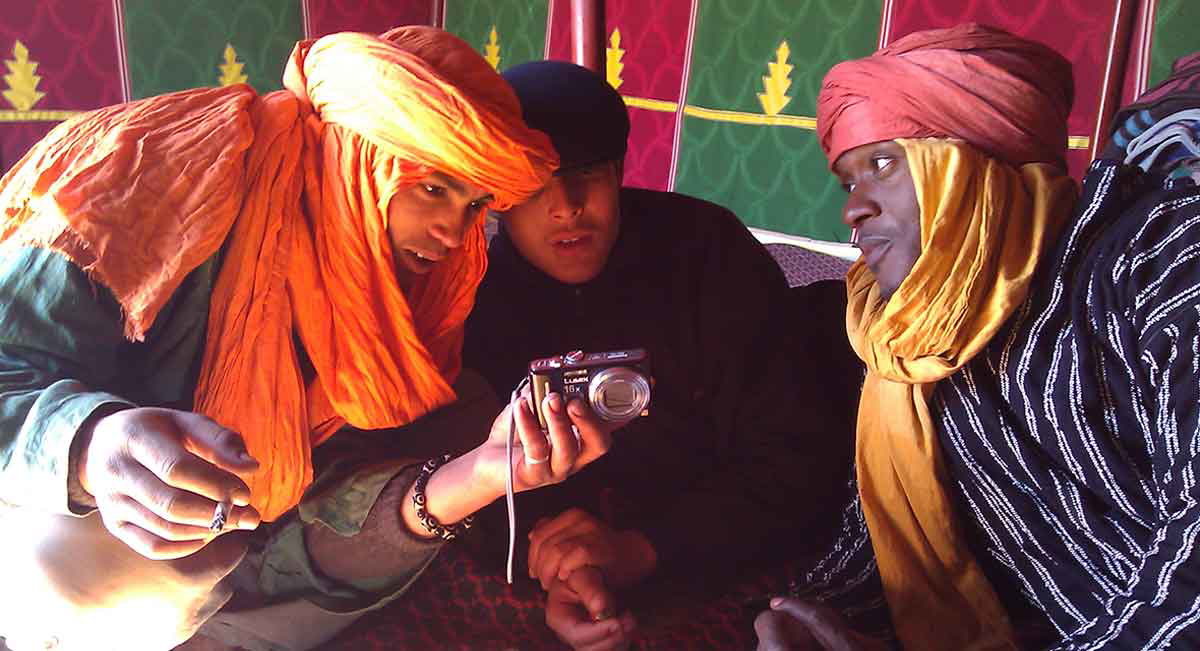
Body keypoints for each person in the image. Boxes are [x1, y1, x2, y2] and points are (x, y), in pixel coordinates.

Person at [0, 27, 623, 651]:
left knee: (463, 414)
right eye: (433, 188)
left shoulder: (406, 273)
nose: (452, 233)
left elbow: (318, 501)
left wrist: (484, 475)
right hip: (63, 541)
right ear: (356, 155)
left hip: (233, 565)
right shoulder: (147, 168)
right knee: (73, 557)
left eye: (473, 205)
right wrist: (88, 444)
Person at [754, 24, 1200, 651]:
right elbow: (880, 548)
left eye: (882, 165)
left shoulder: (1159, 258)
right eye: (847, 182)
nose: (853, 210)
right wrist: (808, 618)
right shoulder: (909, 336)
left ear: (978, 164)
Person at [462, 61, 860, 650]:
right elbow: (458, 476)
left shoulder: (708, 255)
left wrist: (641, 550)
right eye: (536, 182)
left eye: (587, 174)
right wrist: (560, 569)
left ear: (619, 171)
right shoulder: (471, 296)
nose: (567, 206)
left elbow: (795, 459)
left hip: (723, 547)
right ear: (498, 196)